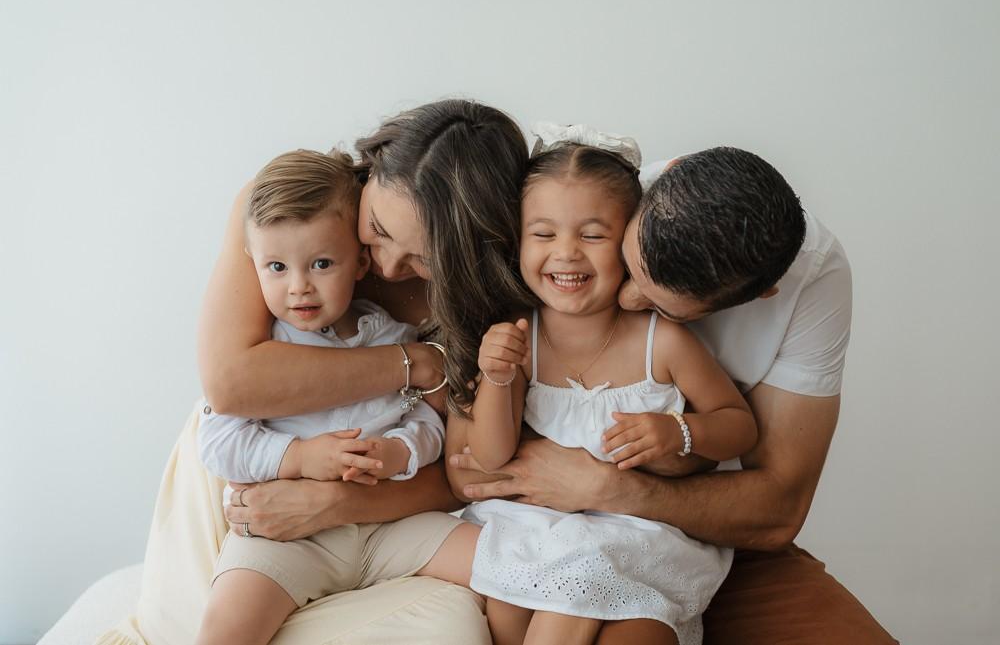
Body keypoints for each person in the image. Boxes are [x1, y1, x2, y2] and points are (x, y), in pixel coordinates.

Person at [97, 99, 531, 645]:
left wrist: (338, 499)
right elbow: (232, 386)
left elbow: (459, 469)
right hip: (259, 462)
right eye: (376, 229)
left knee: (505, 587)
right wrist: (414, 363)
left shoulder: (477, 292)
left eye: (424, 260)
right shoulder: (286, 209)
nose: (390, 266)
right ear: (373, 168)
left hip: (384, 499)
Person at [450, 147, 898, 644]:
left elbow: (775, 502)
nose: (630, 302)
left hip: (669, 527)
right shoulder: (595, 197)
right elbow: (475, 460)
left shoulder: (800, 285)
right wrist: (496, 381)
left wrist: (671, 442)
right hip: (543, 521)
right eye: (631, 265)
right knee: (513, 616)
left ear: (759, 294)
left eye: (667, 307)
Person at [457, 128, 758, 645]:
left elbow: (739, 427)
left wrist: (679, 432)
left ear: (629, 243)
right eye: (544, 234)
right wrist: (498, 377)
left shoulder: (662, 342)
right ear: (518, 240)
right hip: (541, 531)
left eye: (592, 235)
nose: (567, 253)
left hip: (637, 535)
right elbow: (489, 455)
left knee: (637, 633)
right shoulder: (518, 336)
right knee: (508, 619)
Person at [193, 148, 479, 645]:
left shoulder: (391, 336)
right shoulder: (270, 349)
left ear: (360, 262)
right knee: (225, 629)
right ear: (254, 264)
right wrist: (299, 457)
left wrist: (401, 451)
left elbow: (427, 423)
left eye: (321, 264)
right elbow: (217, 442)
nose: (299, 287)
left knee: (505, 563)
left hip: (390, 521)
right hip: (284, 533)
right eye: (276, 267)